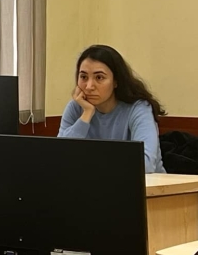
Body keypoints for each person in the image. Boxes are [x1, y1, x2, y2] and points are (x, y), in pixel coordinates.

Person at [57, 44, 166, 174]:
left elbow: (146, 165)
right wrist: (87, 114)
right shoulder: (76, 107)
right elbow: (59, 157)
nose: (89, 86)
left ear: (116, 81)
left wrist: (86, 163)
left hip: (148, 185)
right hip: (92, 183)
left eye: (99, 77)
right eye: (84, 77)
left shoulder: (139, 108)